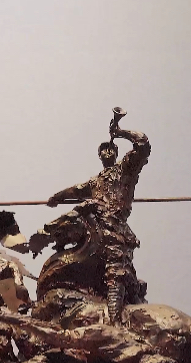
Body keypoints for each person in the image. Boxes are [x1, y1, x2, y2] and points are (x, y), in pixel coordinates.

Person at [44, 108, 150, 322]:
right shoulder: (95, 182)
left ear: (116, 153)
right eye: (103, 150)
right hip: (93, 225)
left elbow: (143, 145)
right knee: (73, 220)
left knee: (116, 268)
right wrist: (56, 198)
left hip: (114, 227)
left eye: (110, 148)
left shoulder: (125, 170)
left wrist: (120, 132)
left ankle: (115, 319)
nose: (107, 152)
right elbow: (74, 191)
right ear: (99, 155)